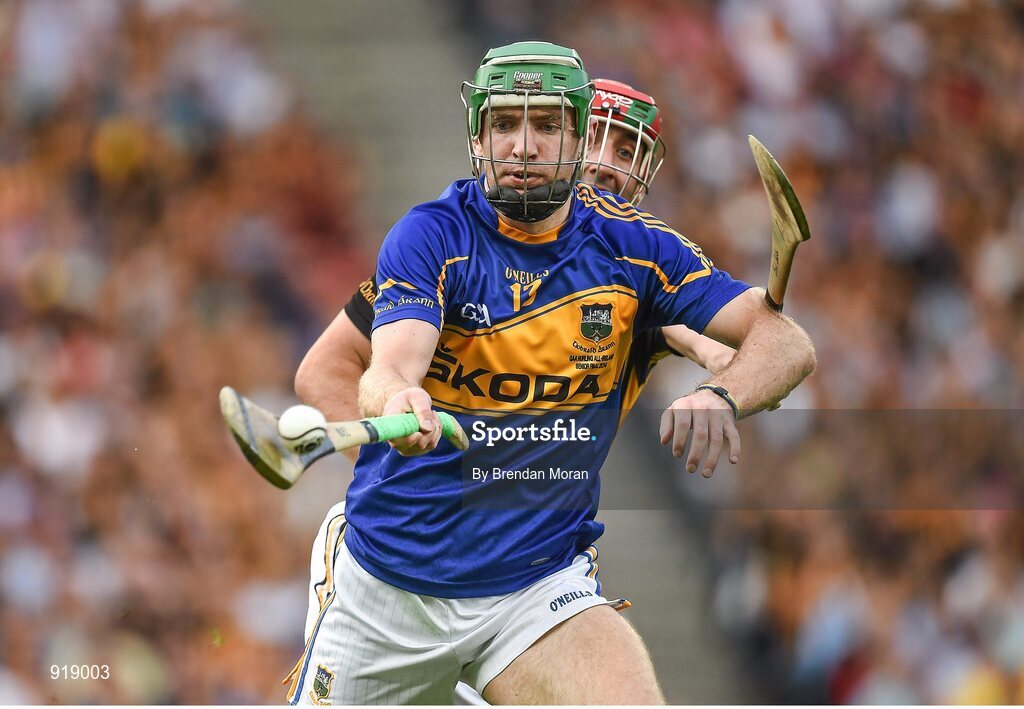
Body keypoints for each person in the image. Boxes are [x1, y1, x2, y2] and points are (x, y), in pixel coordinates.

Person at [286, 41, 815, 705]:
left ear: (573, 135)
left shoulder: (639, 256)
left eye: (545, 127)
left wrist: (723, 392)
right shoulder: (431, 237)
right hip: (393, 581)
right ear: (478, 139)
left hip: (535, 582)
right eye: (506, 124)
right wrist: (394, 411)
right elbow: (377, 363)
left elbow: (777, 342)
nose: (526, 146)